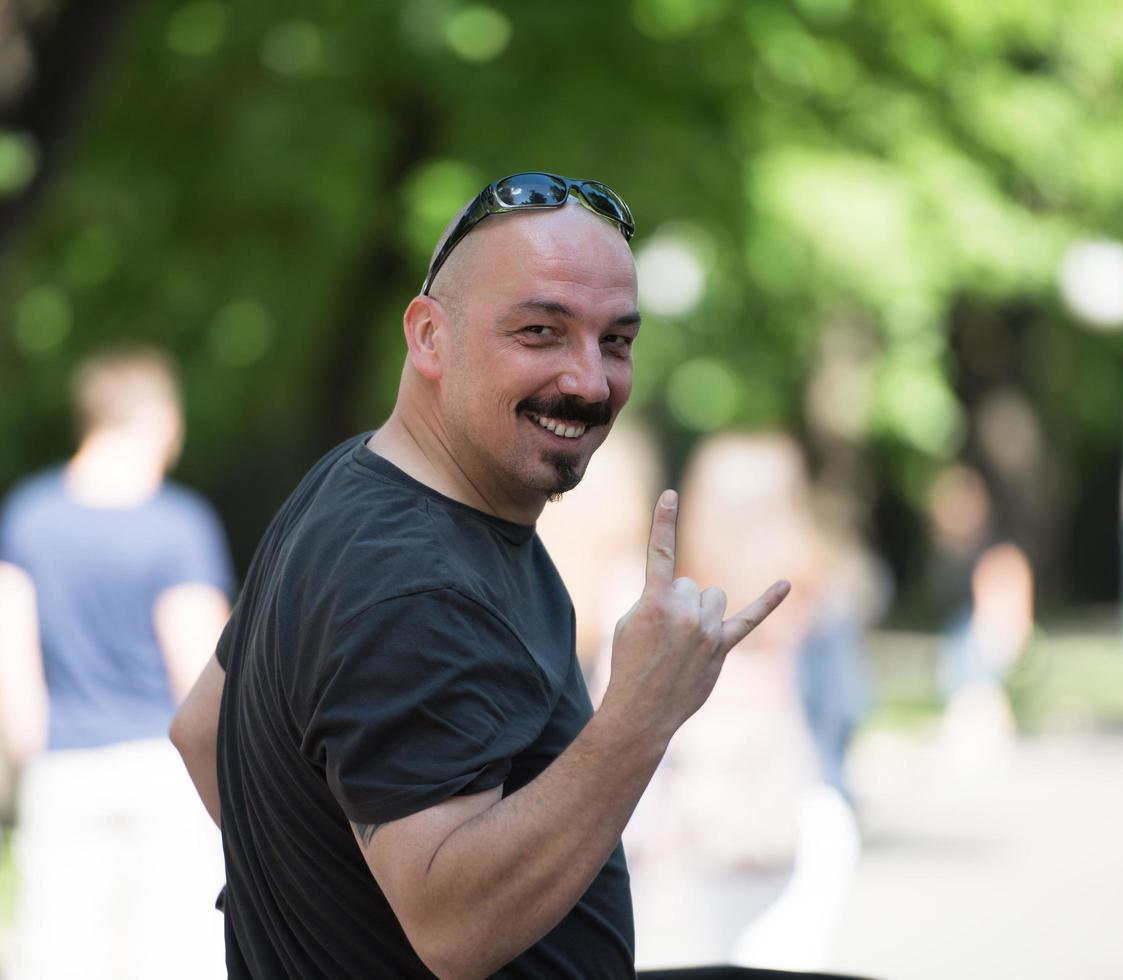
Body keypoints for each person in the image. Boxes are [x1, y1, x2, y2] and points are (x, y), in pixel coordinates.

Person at [170, 171, 792, 978]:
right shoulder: (414, 578)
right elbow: (454, 930)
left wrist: (325, 912)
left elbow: (201, 731)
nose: (589, 381)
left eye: (616, 341)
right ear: (429, 336)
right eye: (540, 331)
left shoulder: (352, 479)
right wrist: (640, 717)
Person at [0, 346, 233, 980]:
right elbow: (197, 663)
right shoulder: (179, 525)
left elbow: (4, 642)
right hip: (165, 766)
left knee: (60, 953)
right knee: (177, 953)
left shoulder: (28, 516)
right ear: (158, 420)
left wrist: (30, 750)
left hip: (63, 762)